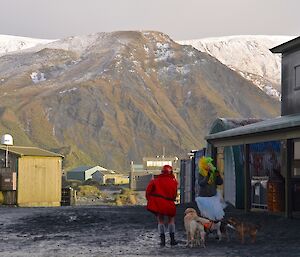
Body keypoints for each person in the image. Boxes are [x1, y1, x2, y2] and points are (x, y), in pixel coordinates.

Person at [145, 164, 178, 247]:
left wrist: (151, 200)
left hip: (158, 202)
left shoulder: (155, 180)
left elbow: (148, 191)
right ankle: (172, 240)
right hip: (169, 202)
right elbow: (174, 195)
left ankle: (162, 241)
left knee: (160, 220)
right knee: (171, 220)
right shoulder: (174, 182)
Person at [195, 156, 226, 221]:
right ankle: (207, 229)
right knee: (206, 216)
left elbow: (220, 182)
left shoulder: (213, 172)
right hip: (204, 198)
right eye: (207, 164)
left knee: (215, 216)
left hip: (213, 197)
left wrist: (218, 175)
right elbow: (201, 183)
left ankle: (215, 228)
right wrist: (207, 176)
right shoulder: (201, 173)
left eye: (209, 164)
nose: (208, 166)